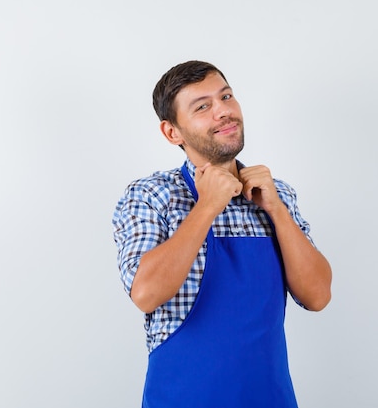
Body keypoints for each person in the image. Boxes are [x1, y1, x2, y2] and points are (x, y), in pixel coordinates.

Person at [112, 60, 332, 408]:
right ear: (173, 132)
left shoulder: (277, 194)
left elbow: (318, 296)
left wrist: (275, 209)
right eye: (203, 106)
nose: (223, 112)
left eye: (226, 97)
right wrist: (206, 207)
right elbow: (146, 293)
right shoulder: (153, 195)